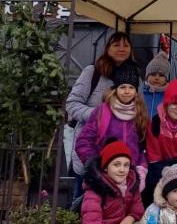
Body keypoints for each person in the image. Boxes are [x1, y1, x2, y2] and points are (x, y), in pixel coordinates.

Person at [66, 31, 136, 186]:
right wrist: (98, 114)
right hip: (92, 151)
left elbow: (139, 109)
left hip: (122, 158)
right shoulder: (93, 72)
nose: (121, 48)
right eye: (116, 45)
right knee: (86, 198)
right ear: (107, 48)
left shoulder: (135, 76)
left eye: (126, 45)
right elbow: (72, 104)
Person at [75, 63, 148, 190]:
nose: (127, 91)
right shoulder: (102, 112)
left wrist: (141, 169)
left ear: (136, 91)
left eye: (131, 87)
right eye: (122, 87)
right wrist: (95, 164)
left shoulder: (140, 115)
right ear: (115, 89)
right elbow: (83, 141)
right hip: (105, 176)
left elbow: (143, 148)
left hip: (130, 178)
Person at [142, 50, 171, 116]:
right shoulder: (139, 93)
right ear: (147, 76)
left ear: (166, 79)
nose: (157, 78)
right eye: (153, 74)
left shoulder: (170, 95)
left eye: (161, 75)